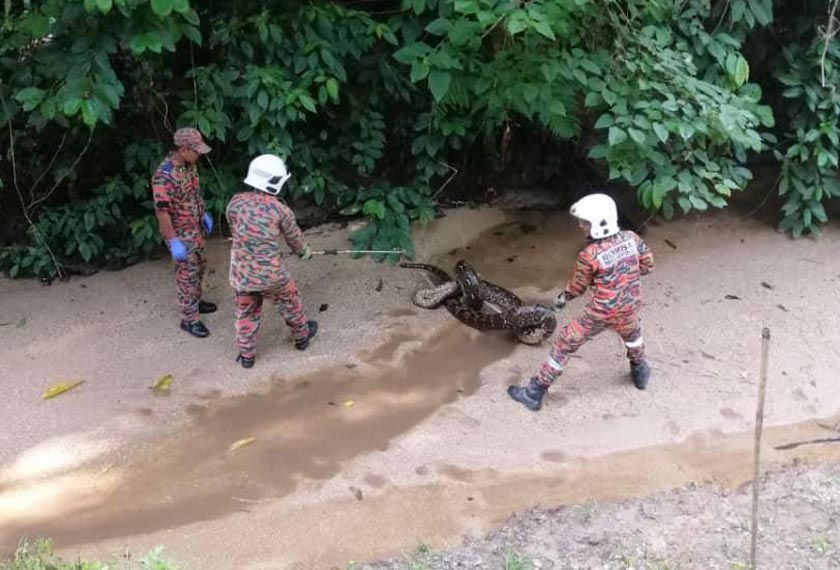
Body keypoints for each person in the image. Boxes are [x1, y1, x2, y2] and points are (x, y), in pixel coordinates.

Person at [507, 193, 654, 411]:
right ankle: (640, 372)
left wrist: (561, 300)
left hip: (600, 314)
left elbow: (577, 287)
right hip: (630, 306)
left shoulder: (589, 255)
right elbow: (648, 265)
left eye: (585, 222)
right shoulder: (632, 238)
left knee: (564, 344)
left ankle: (534, 392)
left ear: (599, 224)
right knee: (633, 335)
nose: (580, 225)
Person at [225, 153, 318, 368]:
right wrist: (304, 252)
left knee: (246, 312)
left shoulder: (236, 202)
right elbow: (295, 240)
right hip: (271, 276)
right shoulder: (281, 210)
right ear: (276, 182)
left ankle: (247, 356)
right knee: (289, 301)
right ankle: (302, 337)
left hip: (241, 274)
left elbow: (235, 228)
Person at [151, 127, 217, 338]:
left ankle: (196, 301)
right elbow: (162, 212)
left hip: (195, 227)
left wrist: (203, 214)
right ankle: (189, 319)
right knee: (186, 275)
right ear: (183, 149)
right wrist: (173, 241)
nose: (199, 154)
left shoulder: (189, 167)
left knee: (199, 267)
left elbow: (193, 194)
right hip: (180, 232)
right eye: (196, 150)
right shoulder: (164, 175)